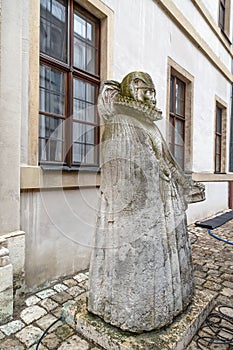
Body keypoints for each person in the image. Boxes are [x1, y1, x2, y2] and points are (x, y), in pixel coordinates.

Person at [87, 72, 205, 332]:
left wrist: (185, 185)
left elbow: (166, 161)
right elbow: (127, 167)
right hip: (136, 212)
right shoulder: (122, 121)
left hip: (160, 206)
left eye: (153, 91)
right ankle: (135, 313)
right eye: (146, 91)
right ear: (133, 89)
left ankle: (170, 303)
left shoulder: (149, 126)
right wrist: (158, 178)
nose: (151, 96)